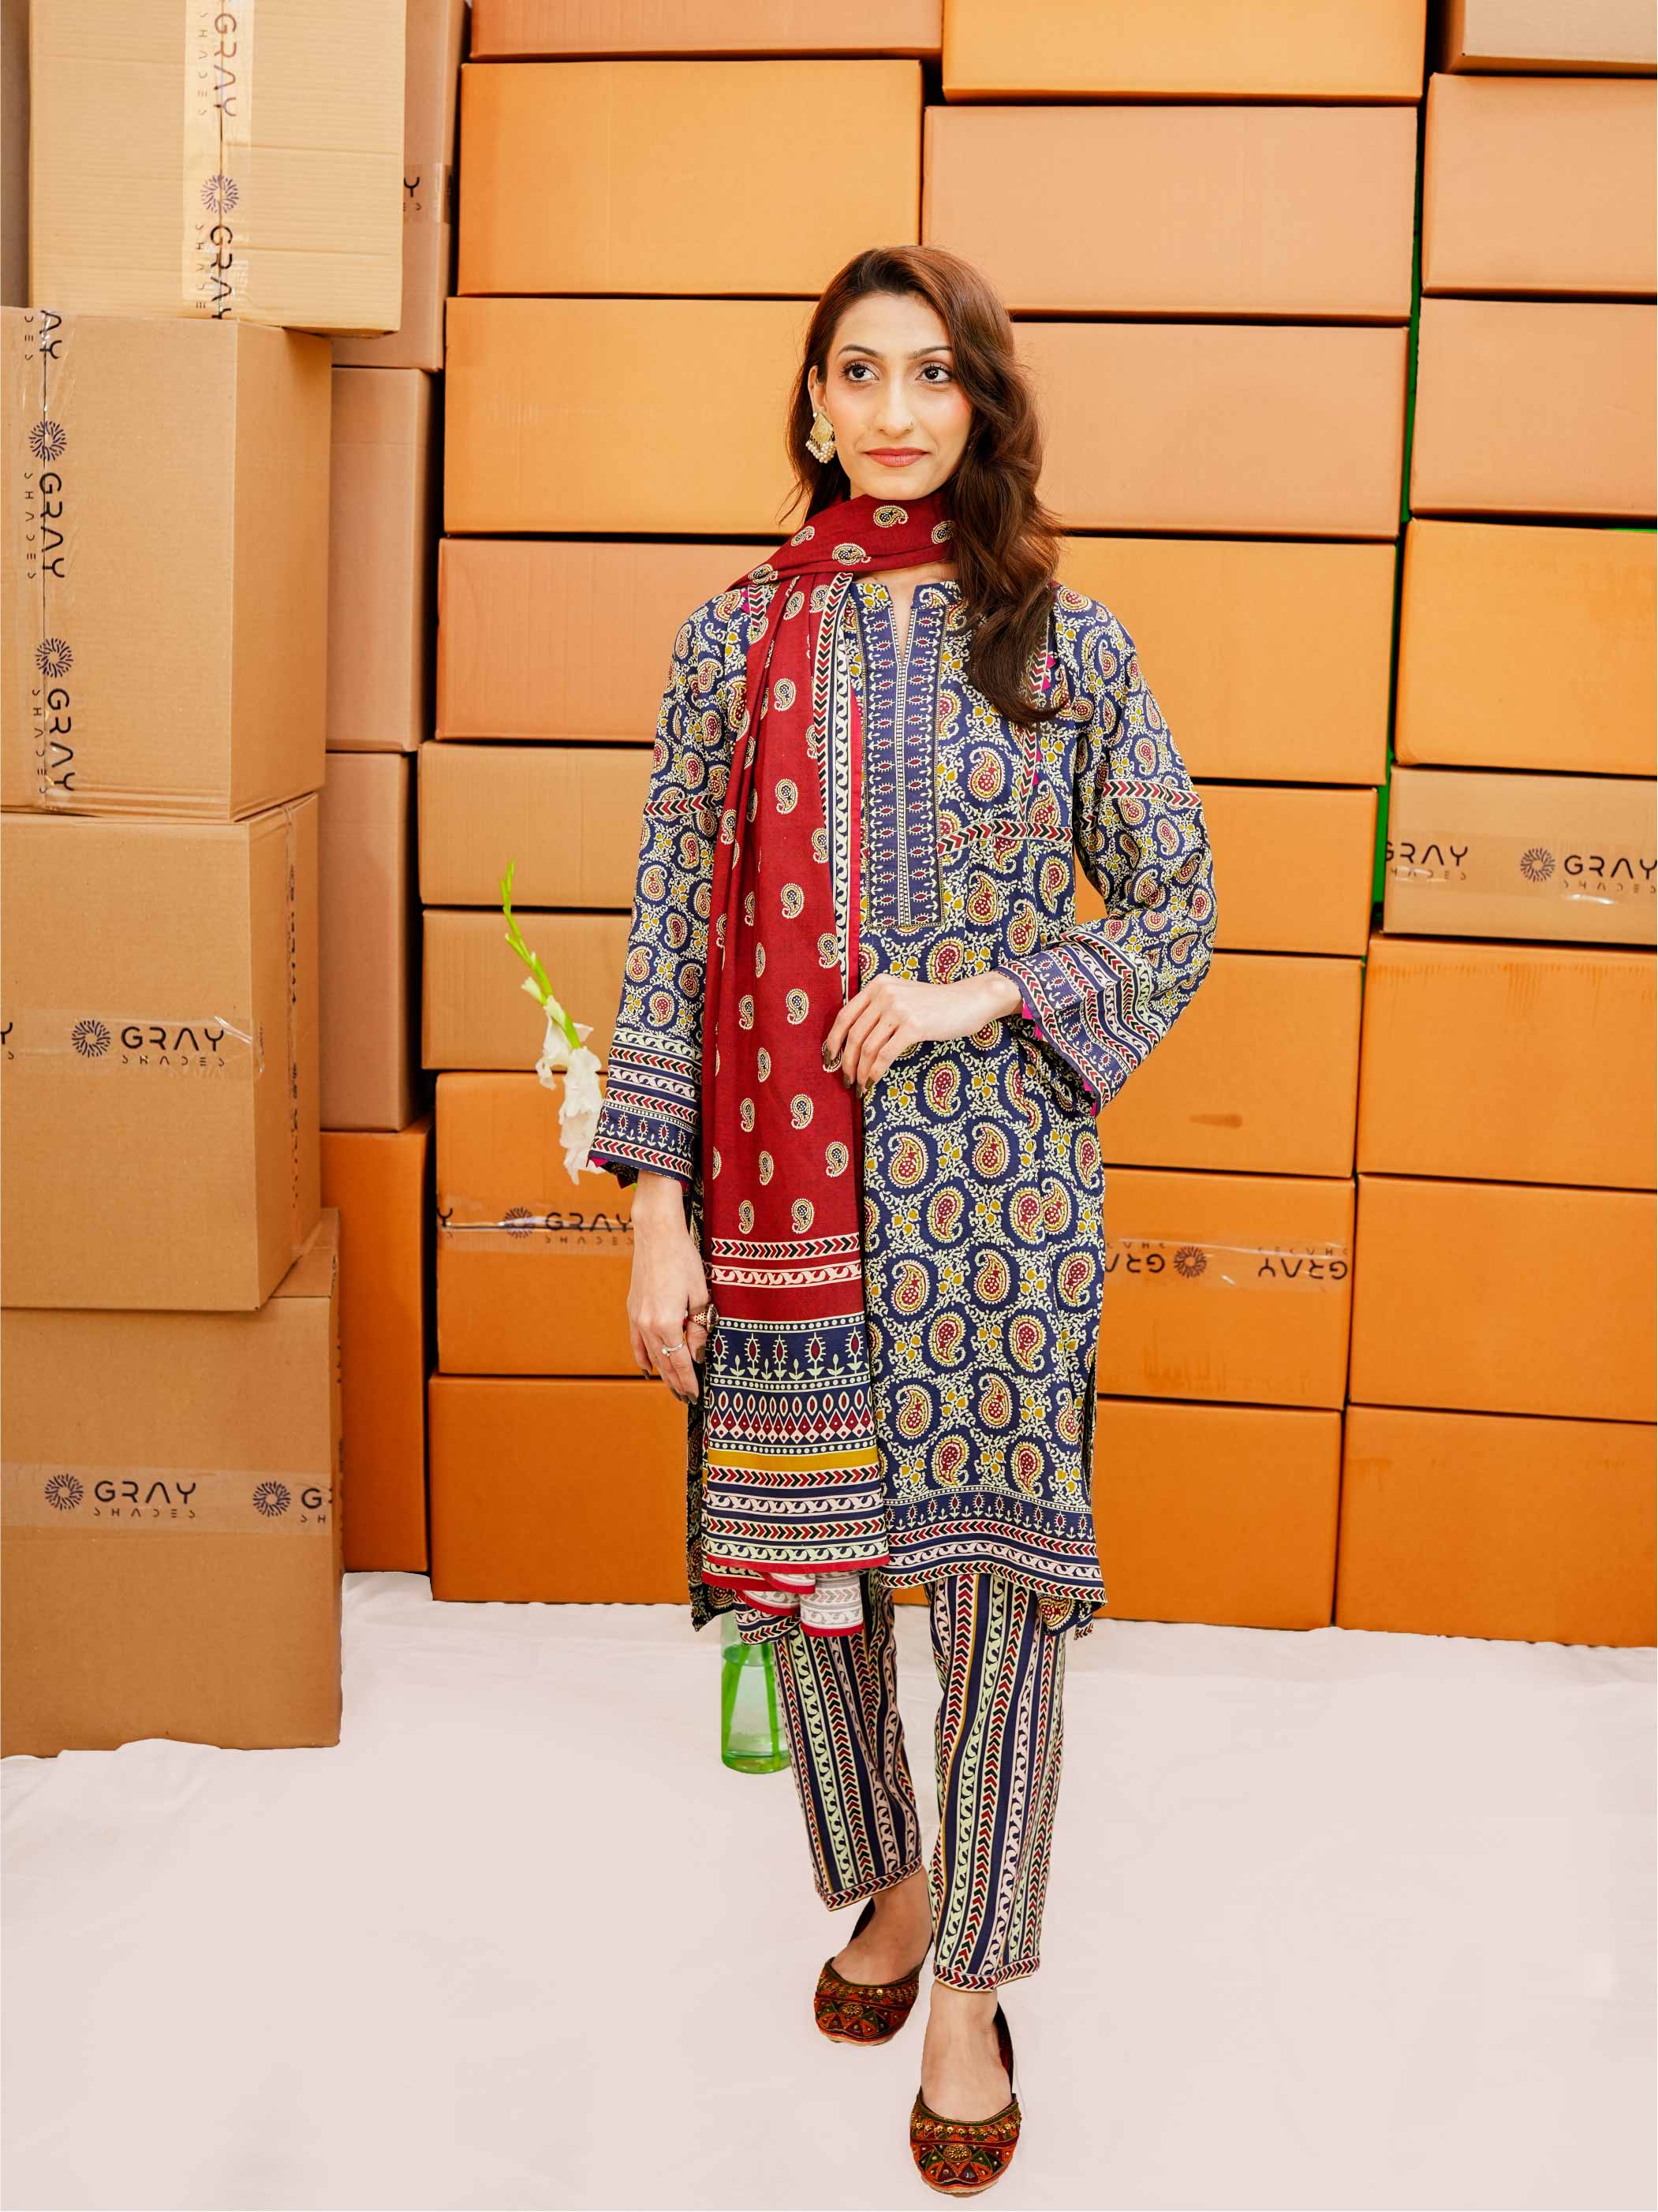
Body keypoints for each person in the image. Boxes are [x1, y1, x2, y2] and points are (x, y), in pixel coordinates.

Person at [585, 242, 1219, 2196]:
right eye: (854, 373)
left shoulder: (1064, 644)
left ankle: (968, 1979)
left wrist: (985, 991)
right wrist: (655, 1211)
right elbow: (672, 931)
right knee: (827, 1585)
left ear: (979, 407)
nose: (889, 410)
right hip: (777, 1195)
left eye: (929, 375)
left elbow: (1176, 899)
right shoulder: (728, 642)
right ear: (809, 405)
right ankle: (887, 1879)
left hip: (998, 1205)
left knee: (1004, 1598)